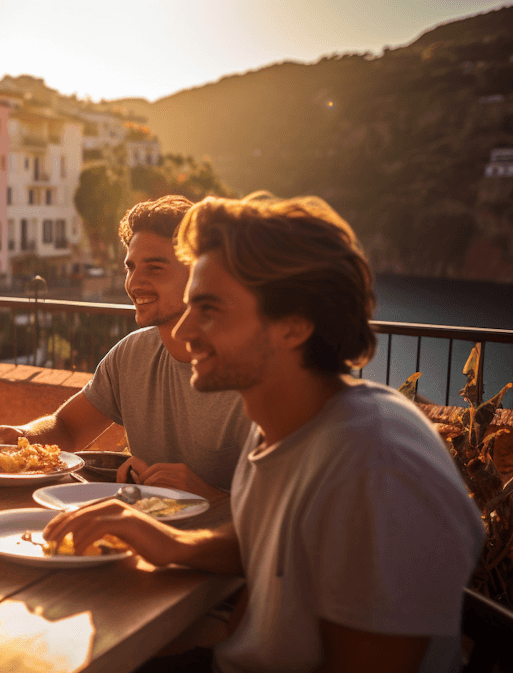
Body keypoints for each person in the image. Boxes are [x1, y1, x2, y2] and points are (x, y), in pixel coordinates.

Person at [45, 193, 485, 673]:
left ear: (292, 326)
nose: (184, 331)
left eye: (209, 309)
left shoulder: (375, 464)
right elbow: (260, 543)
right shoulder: (283, 424)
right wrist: (162, 540)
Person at [0, 196, 250, 498]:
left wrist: (211, 496)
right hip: (141, 523)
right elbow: (67, 427)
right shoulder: (131, 355)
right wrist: (22, 436)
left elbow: (282, 509)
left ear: (199, 274)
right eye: (130, 268)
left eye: (154, 268)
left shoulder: (248, 374)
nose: (134, 283)